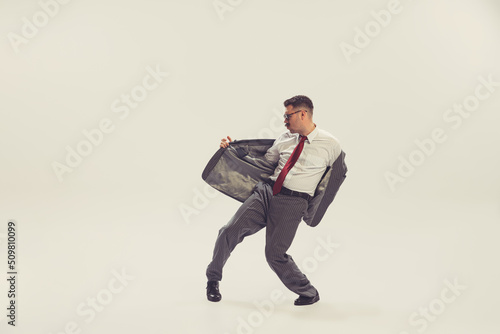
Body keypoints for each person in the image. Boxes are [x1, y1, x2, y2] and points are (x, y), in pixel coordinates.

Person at [206, 95, 342, 306]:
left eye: (288, 115)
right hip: (266, 193)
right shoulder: (284, 139)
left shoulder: (331, 145)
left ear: (303, 114)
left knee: (274, 254)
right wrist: (233, 151)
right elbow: (264, 164)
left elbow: (335, 177)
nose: (284, 120)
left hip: (293, 203)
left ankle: (308, 291)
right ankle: (213, 279)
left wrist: (314, 207)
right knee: (228, 230)